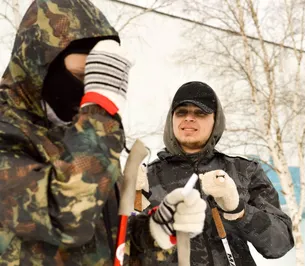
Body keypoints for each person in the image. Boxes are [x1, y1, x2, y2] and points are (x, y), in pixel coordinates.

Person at [0, 1, 206, 265]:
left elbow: (102, 238)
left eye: (97, 80)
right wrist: (101, 110)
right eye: (80, 75)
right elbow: (66, 217)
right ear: (39, 63)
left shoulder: (81, 132)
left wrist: (154, 232)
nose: (89, 95)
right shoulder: (10, 128)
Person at [143, 81, 295, 265]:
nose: (189, 118)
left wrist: (238, 210)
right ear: (171, 120)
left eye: (200, 113)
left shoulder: (243, 171)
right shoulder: (146, 178)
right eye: (181, 112)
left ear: (215, 121)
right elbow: (120, 249)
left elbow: (279, 245)